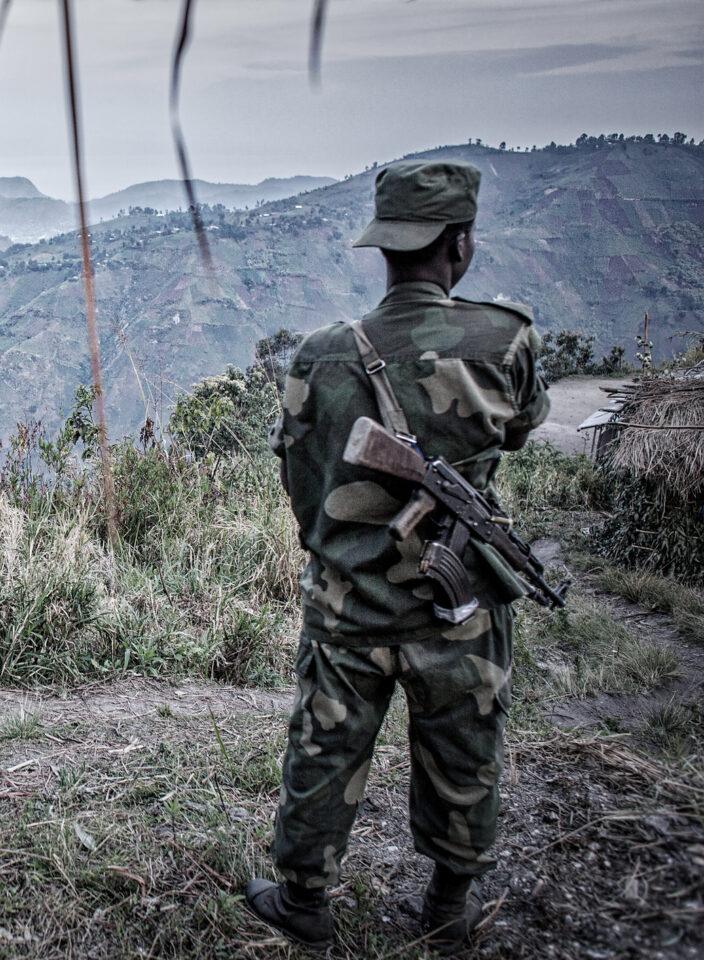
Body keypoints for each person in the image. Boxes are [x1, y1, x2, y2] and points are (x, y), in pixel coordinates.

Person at [245, 160, 551, 953]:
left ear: (386, 249)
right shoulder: (505, 340)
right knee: (465, 746)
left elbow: (302, 480)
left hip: (348, 603)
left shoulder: (319, 355)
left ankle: (303, 899)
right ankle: (450, 907)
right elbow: (518, 431)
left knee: (324, 745)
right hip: (459, 610)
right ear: (460, 244)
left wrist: (346, 551)